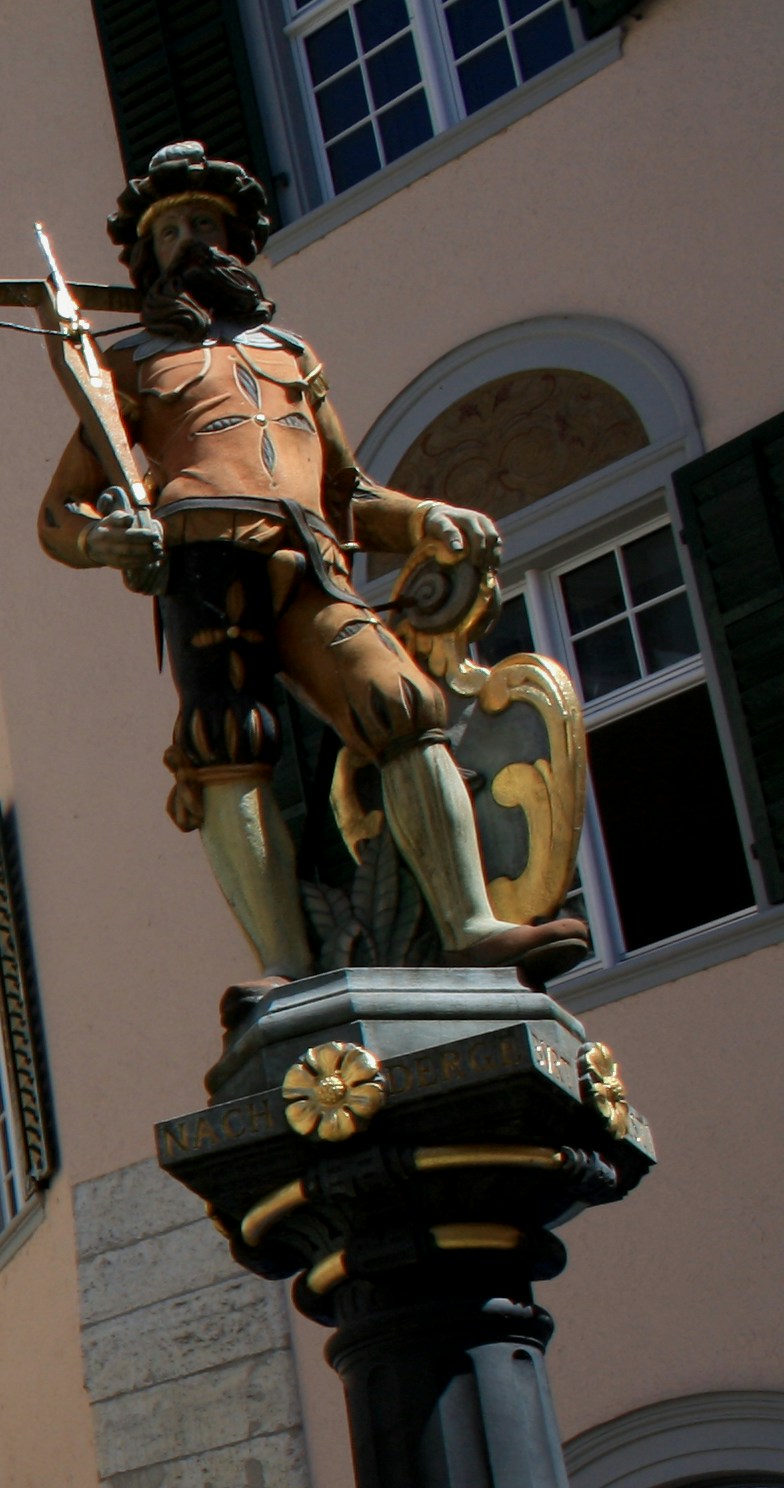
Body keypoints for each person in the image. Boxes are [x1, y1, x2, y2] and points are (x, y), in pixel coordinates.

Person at [36, 141, 591, 991]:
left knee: (402, 703)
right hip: (204, 561)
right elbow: (57, 515)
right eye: (174, 229)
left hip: (309, 556)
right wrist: (102, 541)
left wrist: (422, 519)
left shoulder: (291, 357)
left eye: (208, 226)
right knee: (227, 742)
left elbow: (348, 494)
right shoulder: (130, 366)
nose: (193, 241)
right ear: (148, 256)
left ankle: (471, 924)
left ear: (236, 245)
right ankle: (288, 967)